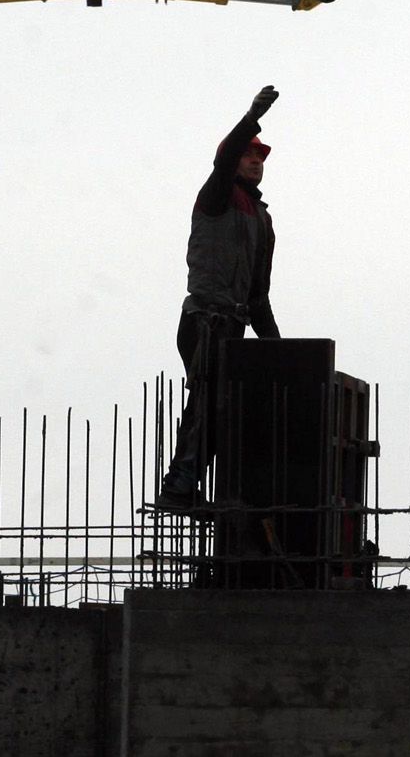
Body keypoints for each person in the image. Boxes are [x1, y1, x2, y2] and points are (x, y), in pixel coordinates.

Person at [158, 84, 282, 506]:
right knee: (208, 401)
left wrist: (277, 352)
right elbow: (224, 158)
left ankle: (189, 484)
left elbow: (259, 298)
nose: (254, 162)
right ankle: (179, 485)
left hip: (233, 326)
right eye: (248, 154)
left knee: (224, 408)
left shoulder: (263, 221)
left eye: (259, 158)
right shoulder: (216, 197)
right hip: (204, 320)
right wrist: (251, 116)